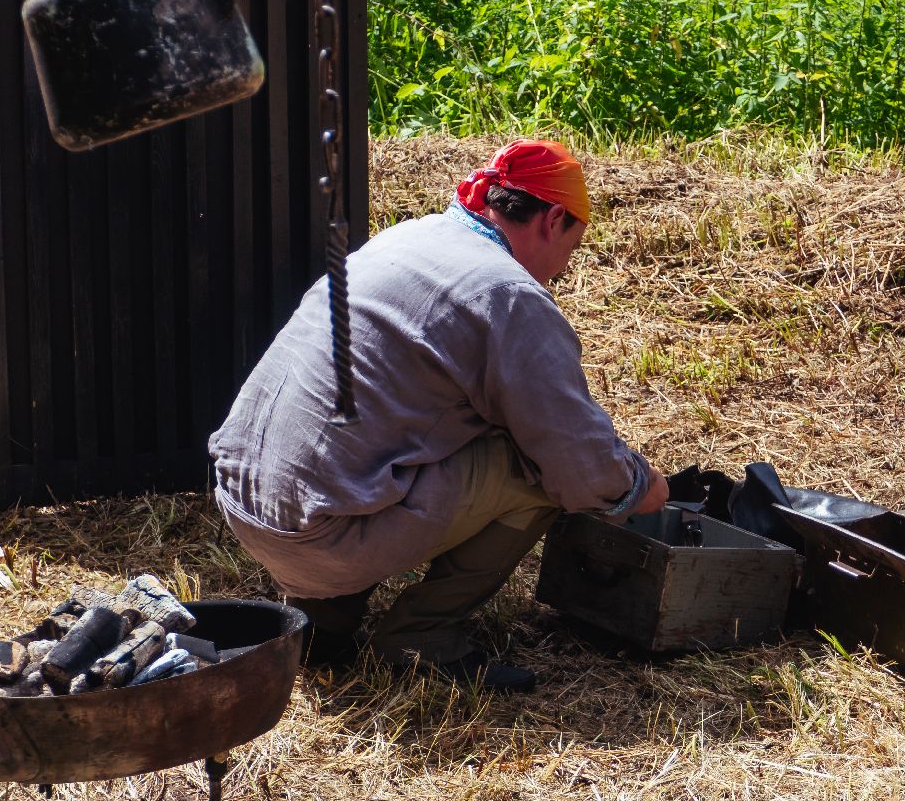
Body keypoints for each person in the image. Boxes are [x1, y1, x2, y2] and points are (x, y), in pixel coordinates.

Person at [208, 139, 668, 693]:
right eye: (573, 243)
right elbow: (578, 466)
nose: (564, 268)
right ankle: (420, 638)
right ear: (551, 220)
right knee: (537, 472)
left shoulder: (409, 238)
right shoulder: (508, 294)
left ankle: (323, 623)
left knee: (367, 438)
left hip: (245, 504)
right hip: (324, 538)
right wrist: (641, 487)